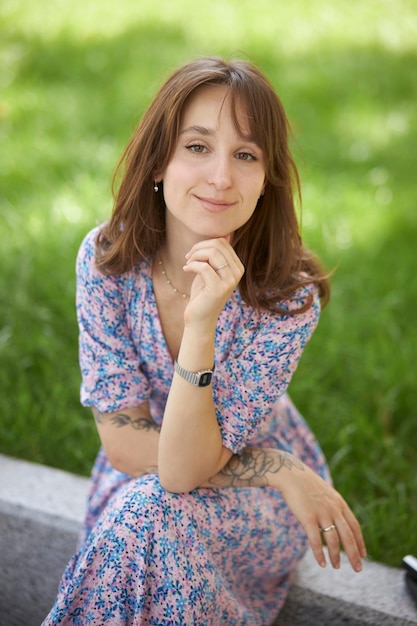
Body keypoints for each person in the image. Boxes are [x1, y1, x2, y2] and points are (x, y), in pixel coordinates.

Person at [42, 56, 366, 625]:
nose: (221, 177)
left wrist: (202, 325)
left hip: (246, 506)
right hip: (168, 474)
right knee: (147, 507)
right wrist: (276, 467)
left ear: (267, 181)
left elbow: (187, 471)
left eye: (246, 155)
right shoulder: (106, 262)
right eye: (197, 147)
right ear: (158, 161)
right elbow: (125, 446)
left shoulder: (287, 296)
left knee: (149, 512)